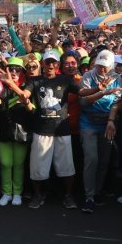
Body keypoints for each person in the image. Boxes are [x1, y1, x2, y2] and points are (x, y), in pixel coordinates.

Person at [22, 50, 80, 210]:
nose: (50, 65)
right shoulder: (35, 80)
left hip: (63, 130)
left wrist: (100, 89)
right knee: (38, 167)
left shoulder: (66, 80)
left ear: (58, 65)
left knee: (67, 166)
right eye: (47, 62)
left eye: (53, 62)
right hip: (41, 130)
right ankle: (37, 196)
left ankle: (68, 196)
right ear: (43, 64)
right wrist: (23, 96)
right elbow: (25, 94)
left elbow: (82, 92)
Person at [78, 50, 122, 213]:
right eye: (99, 65)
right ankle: (89, 196)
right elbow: (84, 101)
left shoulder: (117, 78)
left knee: (104, 160)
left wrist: (111, 120)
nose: (102, 69)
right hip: (88, 122)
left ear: (111, 66)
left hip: (107, 122)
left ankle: (97, 191)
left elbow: (117, 102)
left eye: (105, 66)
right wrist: (101, 91)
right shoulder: (88, 76)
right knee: (92, 159)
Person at [0, 59, 30, 207]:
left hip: (22, 132)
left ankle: (17, 193)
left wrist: (11, 84)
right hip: (3, 131)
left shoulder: (28, 86)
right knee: (5, 163)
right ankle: (6, 192)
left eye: (17, 69)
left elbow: (29, 104)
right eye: (11, 69)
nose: (14, 72)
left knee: (19, 164)